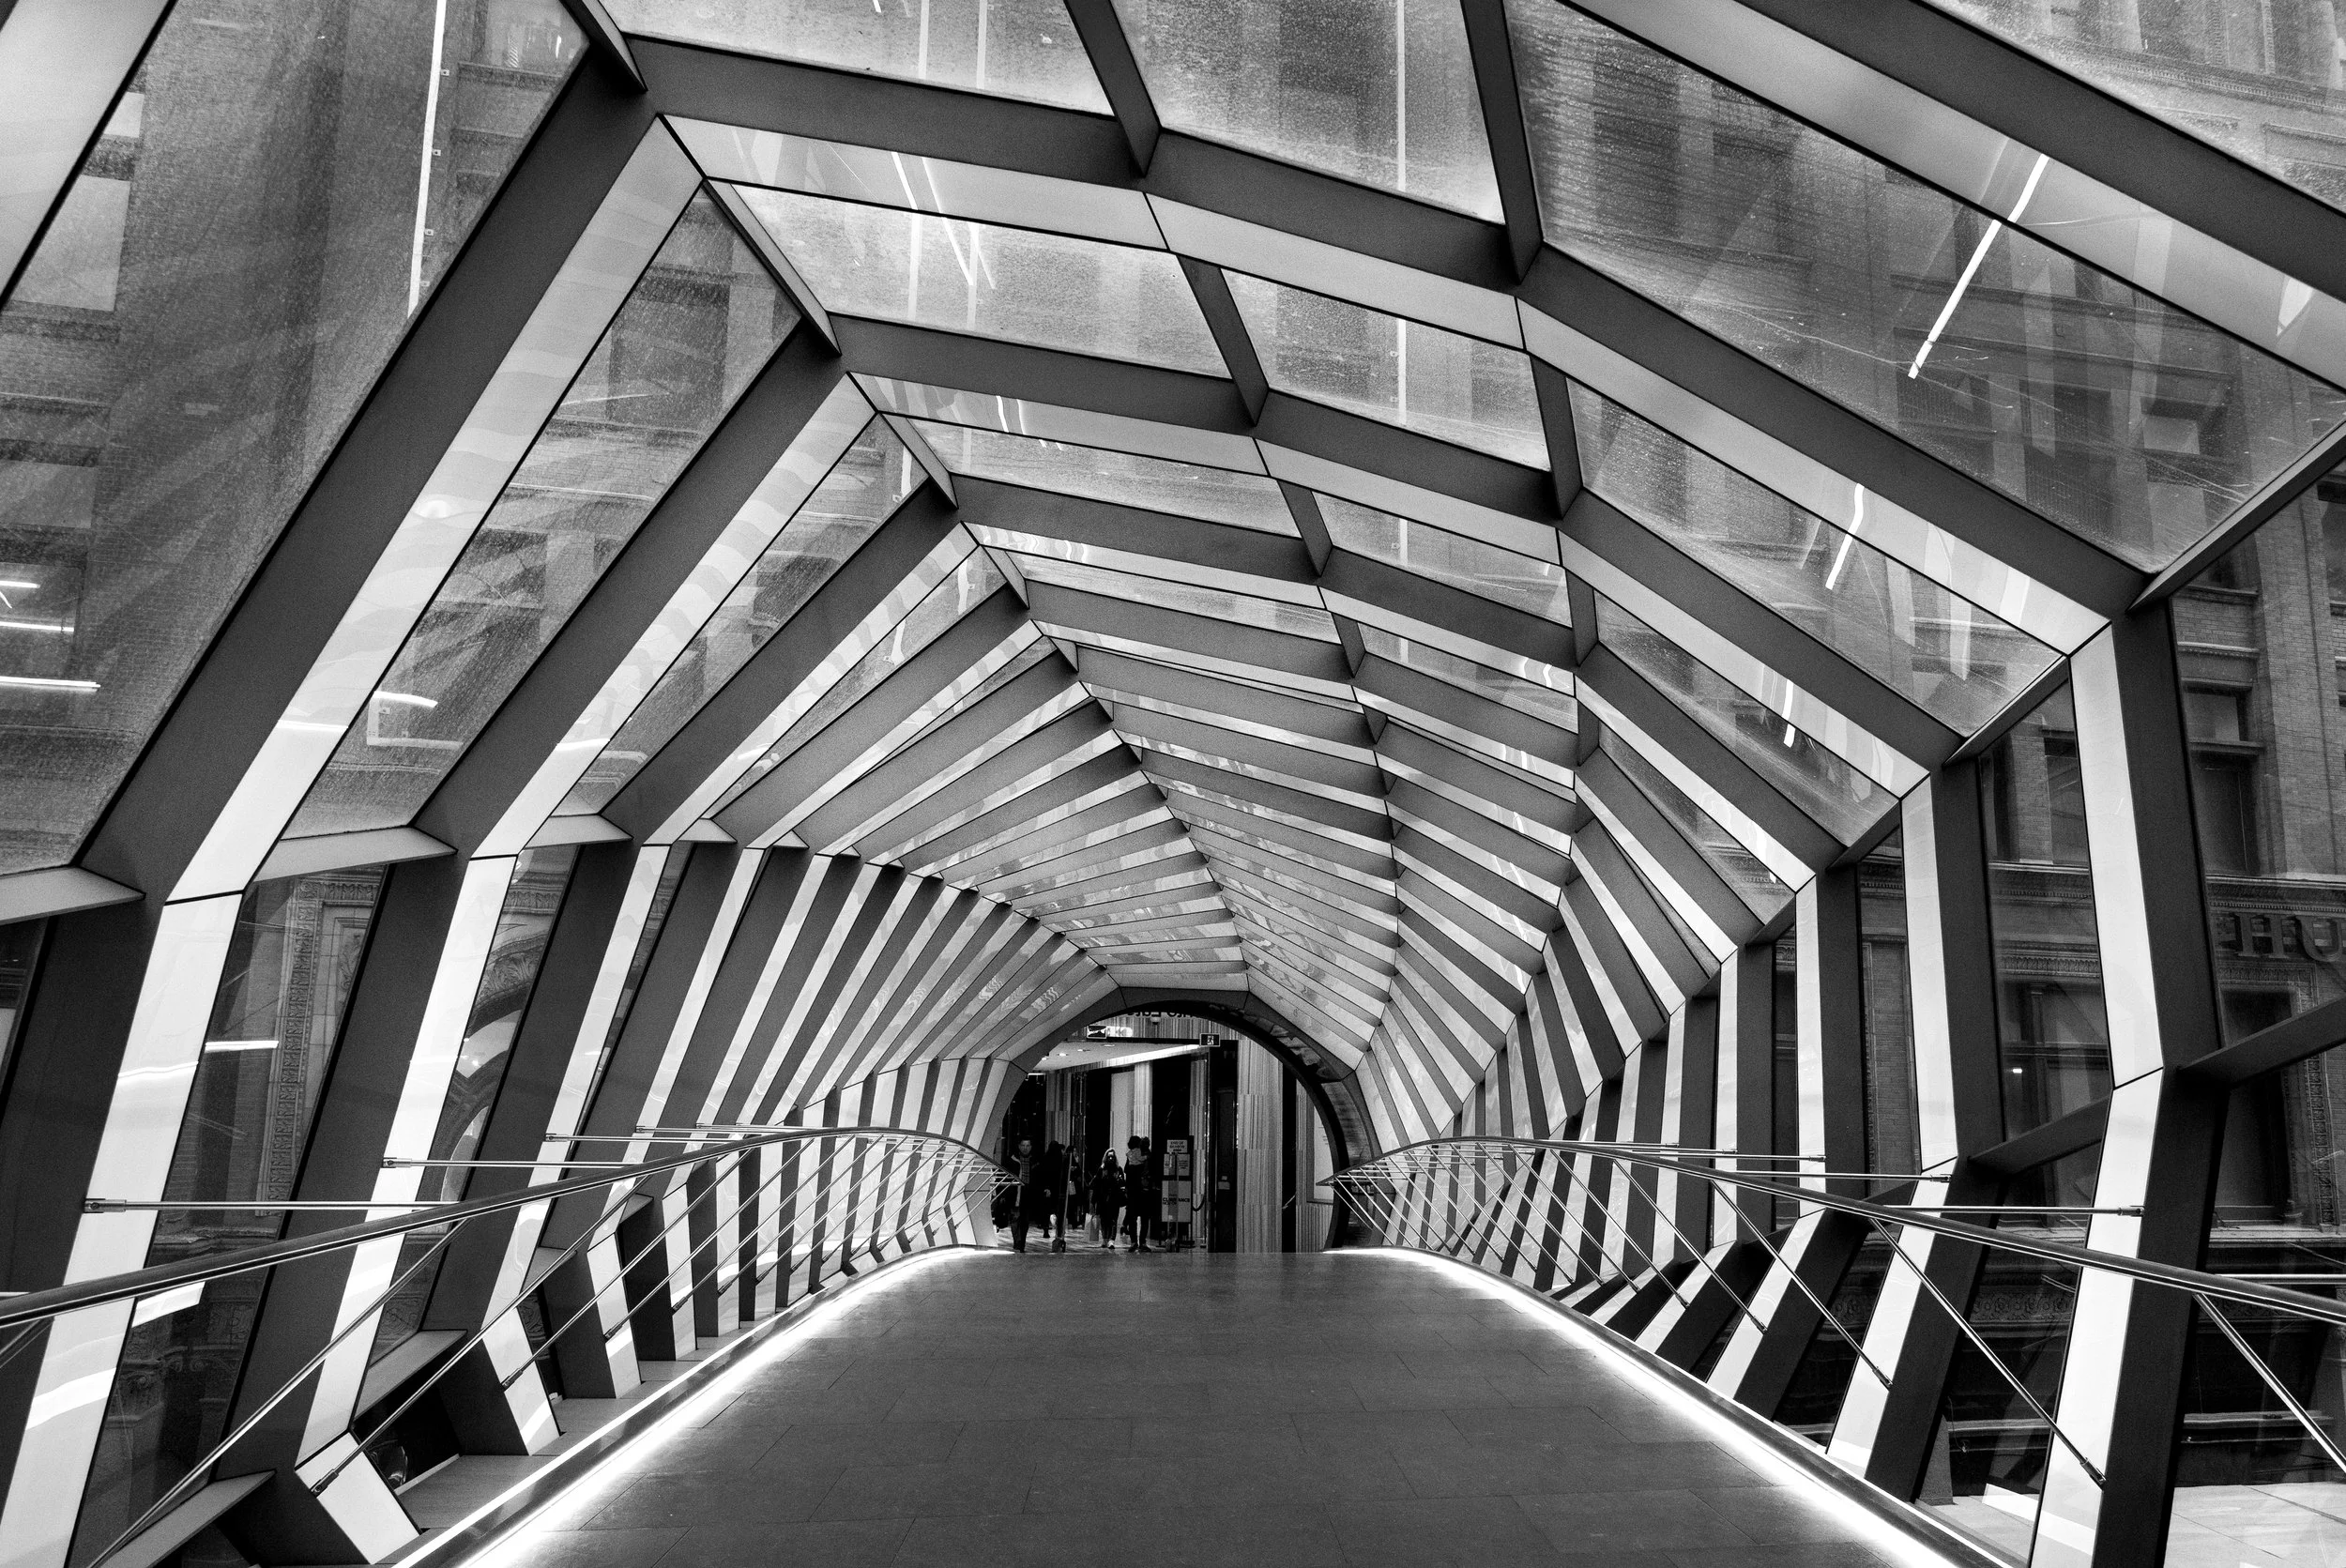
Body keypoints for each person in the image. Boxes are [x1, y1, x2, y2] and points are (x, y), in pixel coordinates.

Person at [1010, 1136, 1048, 1253]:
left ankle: (1021, 1243)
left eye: (1027, 1146)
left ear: (1031, 1147)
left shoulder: (1035, 1160)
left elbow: (1040, 1177)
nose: (1025, 1148)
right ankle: (1017, 1241)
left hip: (1028, 1193)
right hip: (1015, 1192)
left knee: (1025, 1220)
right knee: (1015, 1218)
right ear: (1019, 1146)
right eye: (1023, 1145)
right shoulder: (1012, 1159)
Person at [1124, 1136, 1159, 1254]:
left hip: (1135, 1192)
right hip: (1143, 1191)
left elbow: (1127, 1170)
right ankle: (1141, 1242)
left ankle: (1135, 1242)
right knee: (1143, 1219)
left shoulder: (1132, 1156)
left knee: (1134, 1218)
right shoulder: (1146, 1157)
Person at [1089, 1149, 1123, 1250]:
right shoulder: (1101, 1170)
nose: (1111, 1158)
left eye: (1112, 1156)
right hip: (1102, 1199)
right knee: (1104, 1220)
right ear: (1105, 1158)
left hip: (1114, 1198)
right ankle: (1105, 1239)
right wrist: (1093, 1201)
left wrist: (1118, 1180)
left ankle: (1111, 1240)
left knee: (1113, 1220)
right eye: (1109, 1156)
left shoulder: (1118, 1170)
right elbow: (1096, 1186)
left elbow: (1122, 1185)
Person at [1042, 1140, 1070, 1253]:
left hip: (1050, 1189)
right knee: (1059, 1212)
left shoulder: (1046, 1158)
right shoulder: (1061, 1160)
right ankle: (1059, 1233)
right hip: (1059, 1189)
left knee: (1049, 1210)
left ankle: (1047, 1229)